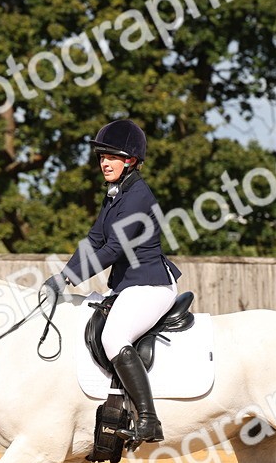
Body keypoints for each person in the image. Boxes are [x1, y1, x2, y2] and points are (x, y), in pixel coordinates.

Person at [42, 119, 181, 442]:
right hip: (128, 287)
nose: (103, 162)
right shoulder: (115, 194)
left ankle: (148, 419)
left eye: (111, 157)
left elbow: (114, 248)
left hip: (151, 285)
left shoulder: (139, 196)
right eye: (101, 157)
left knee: (114, 336)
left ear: (130, 160)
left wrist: (68, 278)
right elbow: (93, 240)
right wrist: (62, 275)